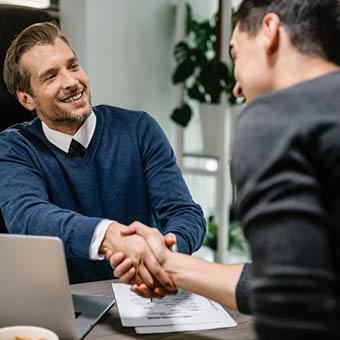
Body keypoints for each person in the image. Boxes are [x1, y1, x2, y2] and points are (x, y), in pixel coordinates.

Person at [109, 0, 340, 338]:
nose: (236, 86)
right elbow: (303, 276)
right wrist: (169, 264)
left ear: (270, 31)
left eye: (234, 54)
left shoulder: (277, 117)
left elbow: (294, 305)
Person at [0, 22, 206, 285]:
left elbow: (184, 212)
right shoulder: (13, 148)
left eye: (73, 66)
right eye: (51, 76)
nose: (72, 82)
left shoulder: (139, 129)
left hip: (146, 295)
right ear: (27, 99)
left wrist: (163, 255)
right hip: (70, 304)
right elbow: (28, 217)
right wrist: (110, 236)